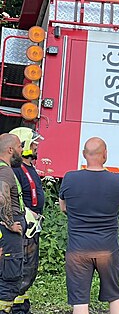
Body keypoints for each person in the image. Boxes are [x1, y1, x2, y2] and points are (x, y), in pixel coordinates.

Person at [59, 137, 119, 314]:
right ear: (105, 155)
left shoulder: (70, 178)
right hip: (107, 250)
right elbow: (117, 205)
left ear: (84, 155)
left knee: (80, 302)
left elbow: (63, 207)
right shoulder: (117, 180)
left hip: (77, 251)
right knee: (114, 296)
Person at [9, 128, 44, 314]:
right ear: (24, 145)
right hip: (23, 227)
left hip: (31, 228)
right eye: (34, 142)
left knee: (29, 271)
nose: (37, 145)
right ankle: (15, 308)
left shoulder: (28, 167)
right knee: (19, 270)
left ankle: (22, 305)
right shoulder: (15, 170)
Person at [0, 133, 25, 313]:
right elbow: (2, 197)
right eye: (19, 147)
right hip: (9, 234)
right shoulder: (5, 171)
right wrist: (10, 223)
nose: (22, 150)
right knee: (9, 279)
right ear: (10, 150)